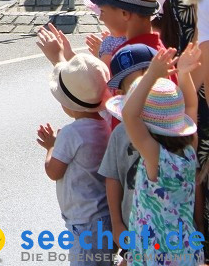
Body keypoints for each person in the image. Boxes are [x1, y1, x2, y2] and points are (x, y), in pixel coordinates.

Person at [114, 47, 202, 266]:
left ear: (146, 128)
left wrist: (152, 75)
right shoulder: (189, 148)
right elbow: (191, 105)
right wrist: (184, 73)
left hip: (159, 256)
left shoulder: (157, 159)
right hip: (185, 249)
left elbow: (130, 115)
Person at [36, 54, 112, 265]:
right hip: (104, 214)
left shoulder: (71, 133)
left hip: (82, 221)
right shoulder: (107, 122)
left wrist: (51, 146)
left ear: (67, 105)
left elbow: (54, 171)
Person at [98, 43, 155, 264]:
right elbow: (113, 177)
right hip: (132, 228)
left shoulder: (173, 128)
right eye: (129, 87)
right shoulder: (120, 133)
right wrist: (116, 223)